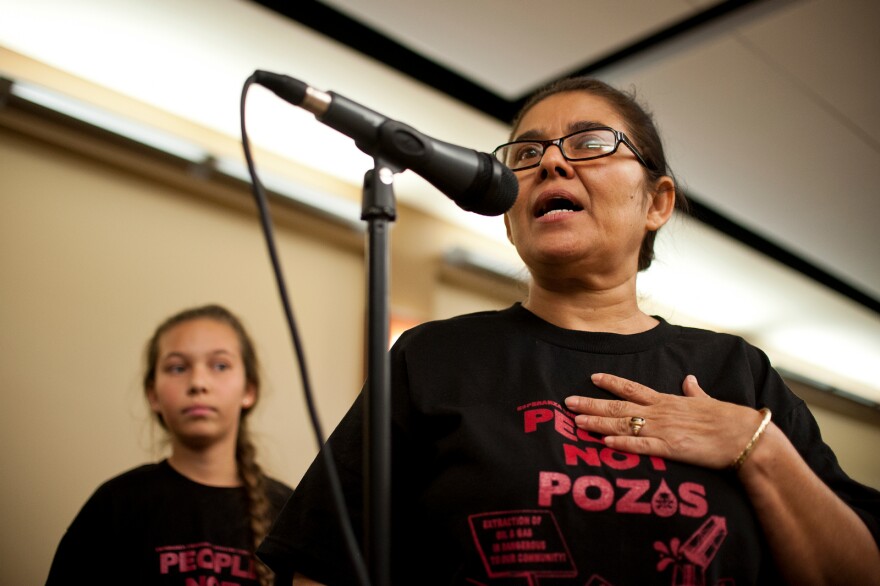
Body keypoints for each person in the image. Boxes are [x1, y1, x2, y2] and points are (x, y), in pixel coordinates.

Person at [255, 77, 880, 584]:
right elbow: (321, 567)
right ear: (507, 214)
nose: (551, 161)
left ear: (657, 202)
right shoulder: (434, 359)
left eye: (589, 143)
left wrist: (756, 444)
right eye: (527, 154)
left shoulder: (738, 374)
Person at [46, 304, 294, 586]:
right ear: (153, 395)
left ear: (248, 390)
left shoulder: (289, 512)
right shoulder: (115, 504)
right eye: (177, 368)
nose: (198, 383)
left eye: (220, 366)